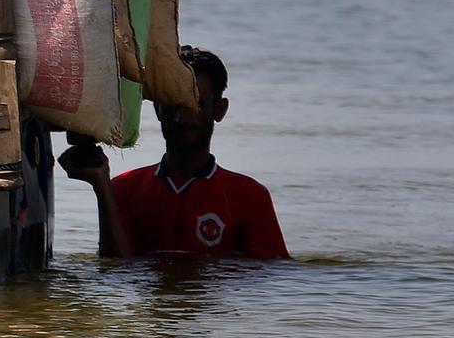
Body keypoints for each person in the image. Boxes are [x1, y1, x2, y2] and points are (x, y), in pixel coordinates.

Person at [59, 46, 289, 260]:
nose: (182, 118)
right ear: (158, 108)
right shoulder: (122, 190)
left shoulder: (249, 197)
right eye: (173, 104)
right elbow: (116, 269)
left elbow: (272, 275)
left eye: (196, 105)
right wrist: (101, 186)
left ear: (219, 110)